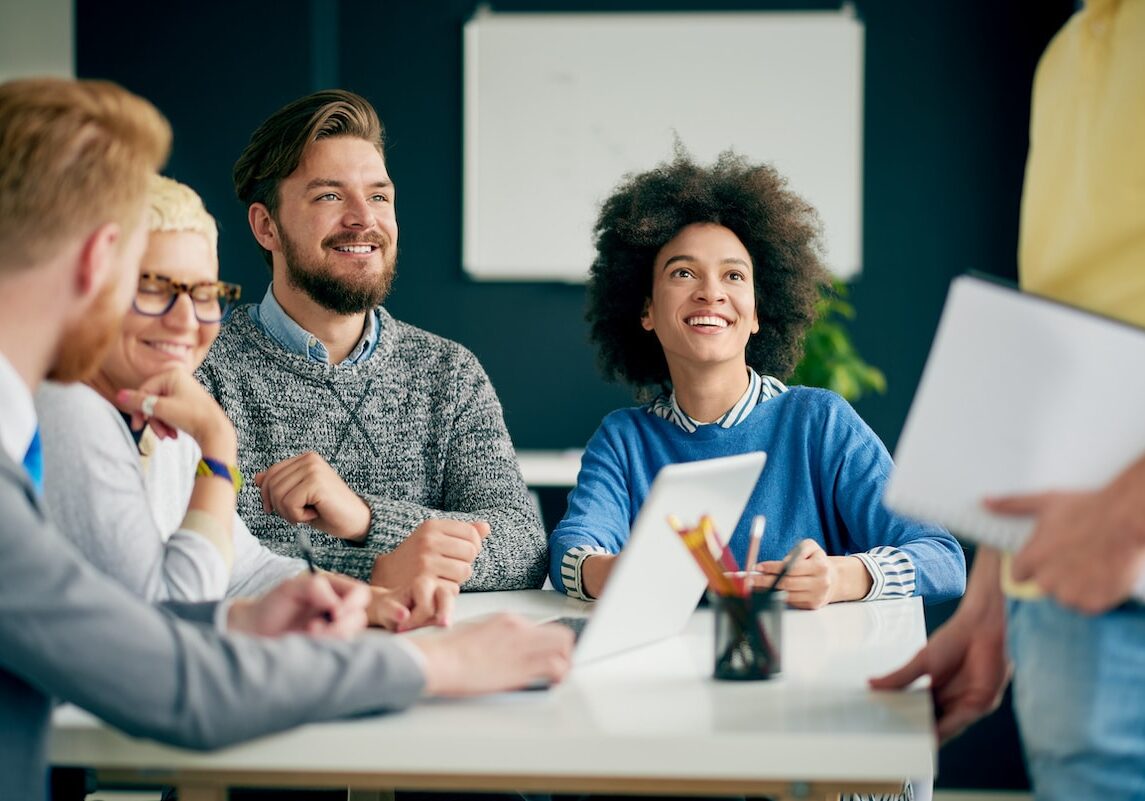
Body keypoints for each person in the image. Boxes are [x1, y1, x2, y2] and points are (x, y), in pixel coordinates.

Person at [0, 76, 573, 801]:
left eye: (202, 292)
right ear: (99, 263)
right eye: (148, 278)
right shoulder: (163, 381)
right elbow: (168, 664)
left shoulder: (447, 369)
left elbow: (187, 592)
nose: (180, 318)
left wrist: (335, 561)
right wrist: (430, 654)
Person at [871, 3, 1145, 799]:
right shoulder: (1070, 51)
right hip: (1059, 597)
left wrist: (1130, 505)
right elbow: (1068, 326)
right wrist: (994, 592)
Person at [549, 151, 966, 609]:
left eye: (733, 275)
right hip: (669, 672)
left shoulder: (819, 421)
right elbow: (572, 552)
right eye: (683, 273)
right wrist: (613, 572)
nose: (711, 292)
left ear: (758, 314)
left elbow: (943, 557)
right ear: (646, 309)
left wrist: (842, 576)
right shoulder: (623, 439)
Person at [197, 89, 546, 603]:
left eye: (380, 196)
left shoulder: (448, 371)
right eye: (329, 196)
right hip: (277, 667)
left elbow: (521, 547)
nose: (365, 219)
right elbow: (208, 553)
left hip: (427, 661)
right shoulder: (201, 364)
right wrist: (386, 569)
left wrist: (366, 520)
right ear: (266, 226)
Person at [37, 175, 416, 629]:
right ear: (92, 289)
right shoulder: (64, 409)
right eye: (154, 287)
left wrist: (366, 601)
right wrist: (218, 447)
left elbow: (243, 570)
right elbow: (171, 615)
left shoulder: (157, 417)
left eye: (204, 294)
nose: (185, 321)